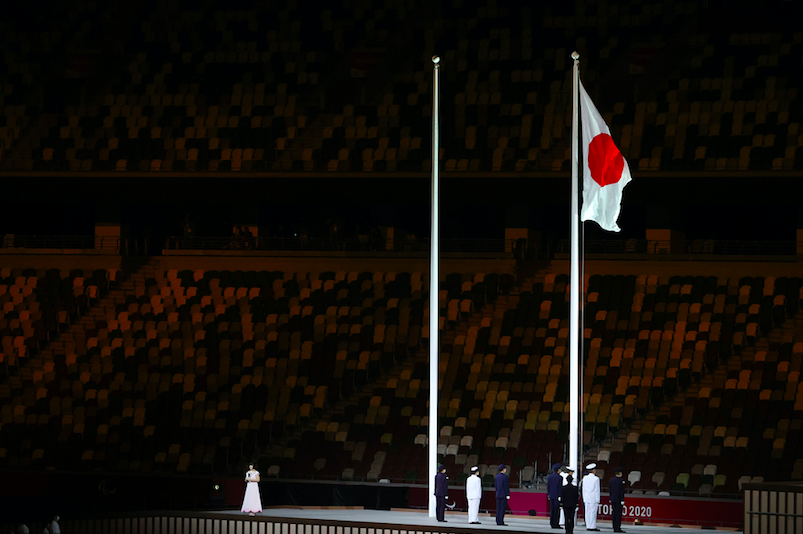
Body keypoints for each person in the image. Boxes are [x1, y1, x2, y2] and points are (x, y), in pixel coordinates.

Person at [581, 463, 601, 531]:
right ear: (593, 470)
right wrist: (598, 499)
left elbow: (583, 489)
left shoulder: (585, 478)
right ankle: (592, 526)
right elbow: (597, 490)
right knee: (593, 512)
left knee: (587, 512)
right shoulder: (596, 479)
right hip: (593, 498)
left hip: (586, 497)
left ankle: (588, 525)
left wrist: (584, 498)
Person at [609, 467, 626, 533]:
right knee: (618, 514)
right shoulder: (621, 481)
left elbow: (610, 490)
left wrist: (610, 498)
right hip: (618, 500)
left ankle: (614, 526)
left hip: (613, 499)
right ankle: (617, 527)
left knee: (614, 513)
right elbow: (621, 491)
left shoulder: (611, 480)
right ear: (620, 473)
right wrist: (622, 499)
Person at [547, 463, 563, 529]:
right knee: (557, 510)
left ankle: (552, 523)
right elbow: (559, 487)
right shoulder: (560, 477)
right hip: (557, 496)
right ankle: (556, 523)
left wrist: (548, 494)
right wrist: (560, 495)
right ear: (558, 470)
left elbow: (548, 486)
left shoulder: (550, 477)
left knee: (552, 510)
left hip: (551, 495)